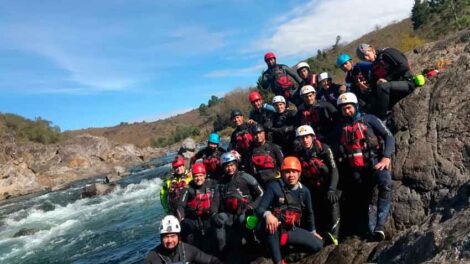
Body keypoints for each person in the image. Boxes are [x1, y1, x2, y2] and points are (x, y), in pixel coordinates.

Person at [336, 92, 394, 241]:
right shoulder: (342, 128)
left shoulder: (369, 119)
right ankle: (366, 231)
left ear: (355, 106)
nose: (347, 111)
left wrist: (386, 157)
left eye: (349, 108)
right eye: (344, 109)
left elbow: (388, 136)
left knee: (386, 183)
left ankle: (380, 225)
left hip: (375, 164)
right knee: (359, 199)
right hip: (357, 171)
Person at [256, 157, 323, 264]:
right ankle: (278, 261)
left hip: (289, 231)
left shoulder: (305, 191)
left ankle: (289, 258)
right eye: (287, 172)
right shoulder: (274, 187)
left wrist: (313, 232)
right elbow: (259, 209)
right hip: (271, 229)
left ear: (299, 173)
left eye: (294, 172)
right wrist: (268, 215)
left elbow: (310, 214)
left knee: (319, 244)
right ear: (282, 174)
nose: (291, 175)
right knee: (273, 226)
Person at [295, 125, 340, 245]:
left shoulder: (323, 148)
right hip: (313, 187)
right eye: (302, 138)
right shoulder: (299, 154)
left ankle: (335, 235)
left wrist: (332, 189)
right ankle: (318, 234)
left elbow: (334, 169)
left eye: (307, 137)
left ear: (313, 137)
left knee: (332, 201)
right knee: (310, 207)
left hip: (328, 184)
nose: (305, 140)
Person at [214, 152, 264, 257]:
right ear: (223, 167)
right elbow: (215, 201)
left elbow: (261, 193)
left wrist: (252, 206)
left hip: (246, 211)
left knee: (243, 219)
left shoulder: (245, 177)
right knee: (218, 220)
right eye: (227, 166)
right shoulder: (220, 183)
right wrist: (214, 214)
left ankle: (253, 245)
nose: (230, 168)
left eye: (232, 165)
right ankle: (223, 252)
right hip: (229, 214)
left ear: (236, 165)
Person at [356, 43, 416, 120]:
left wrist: (387, 79)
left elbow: (404, 66)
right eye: (364, 58)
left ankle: (382, 117)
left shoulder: (388, 52)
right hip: (393, 90)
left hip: (407, 83)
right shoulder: (374, 66)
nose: (367, 58)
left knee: (383, 87)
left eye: (367, 55)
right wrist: (366, 88)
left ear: (371, 49)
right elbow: (374, 84)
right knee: (372, 97)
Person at [176, 163, 219, 253]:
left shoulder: (211, 183)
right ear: (192, 176)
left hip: (208, 217)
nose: (198, 178)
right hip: (193, 219)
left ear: (205, 175)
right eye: (196, 176)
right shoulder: (187, 189)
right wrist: (182, 220)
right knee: (185, 229)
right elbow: (180, 206)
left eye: (201, 175)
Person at [145, 215, 222, 264]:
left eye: (172, 236)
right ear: (161, 238)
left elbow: (211, 260)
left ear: (179, 237)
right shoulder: (152, 257)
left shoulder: (187, 249)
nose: (170, 240)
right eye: (166, 237)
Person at [246, 124, 284, 188]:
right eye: (255, 134)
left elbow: (282, 165)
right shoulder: (250, 151)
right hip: (258, 183)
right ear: (252, 136)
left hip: (274, 181)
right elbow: (248, 168)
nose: (258, 136)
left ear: (264, 133)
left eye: (260, 133)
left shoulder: (274, 147)